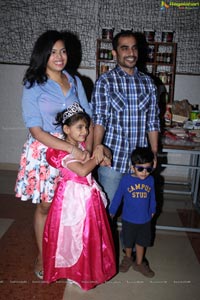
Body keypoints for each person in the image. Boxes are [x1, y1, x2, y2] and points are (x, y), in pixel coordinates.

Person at [14, 30, 108, 280]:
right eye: (53, 51)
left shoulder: (75, 81)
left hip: (75, 148)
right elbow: (35, 129)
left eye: (63, 51)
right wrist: (71, 149)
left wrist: (86, 148)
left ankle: (68, 254)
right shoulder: (33, 84)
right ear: (43, 54)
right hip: (45, 151)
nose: (59, 56)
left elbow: (86, 117)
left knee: (70, 206)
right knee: (46, 206)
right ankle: (43, 255)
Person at [43, 102, 116, 290]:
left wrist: (102, 152)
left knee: (87, 235)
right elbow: (83, 170)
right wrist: (97, 155)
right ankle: (71, 270)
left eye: (86, 127)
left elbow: (98, 154)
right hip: (71, 200)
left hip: (87, 197)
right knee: (71, 236)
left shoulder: (81, 145)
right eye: (80, 127)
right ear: (66, 129)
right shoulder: (61, 151)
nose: (84, 132)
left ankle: (85, 270)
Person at [91, 30, 160, 205]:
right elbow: (99, 119)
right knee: (108, 210)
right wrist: (98, 147)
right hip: (112, 160)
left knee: (137, 209)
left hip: (140, 162)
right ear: (115, 53)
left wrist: (153, 152)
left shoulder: (148, 83)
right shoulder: (105, 82)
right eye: (125, 48)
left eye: (134, 48)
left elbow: (153, 121)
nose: (131, 53)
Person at [109, 147, 156, 278]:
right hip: (128, 219)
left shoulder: (150, 180)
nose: (144, 172)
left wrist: (153, 209)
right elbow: (118, 196)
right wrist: (112, 211)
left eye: (148, 169)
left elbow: (153, 196)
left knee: (142, 242)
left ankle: (140, 263)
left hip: (145, 219)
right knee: (128, 242)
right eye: (140, 168)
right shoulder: (126, 180)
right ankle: (128, 258)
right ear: (132, 167)